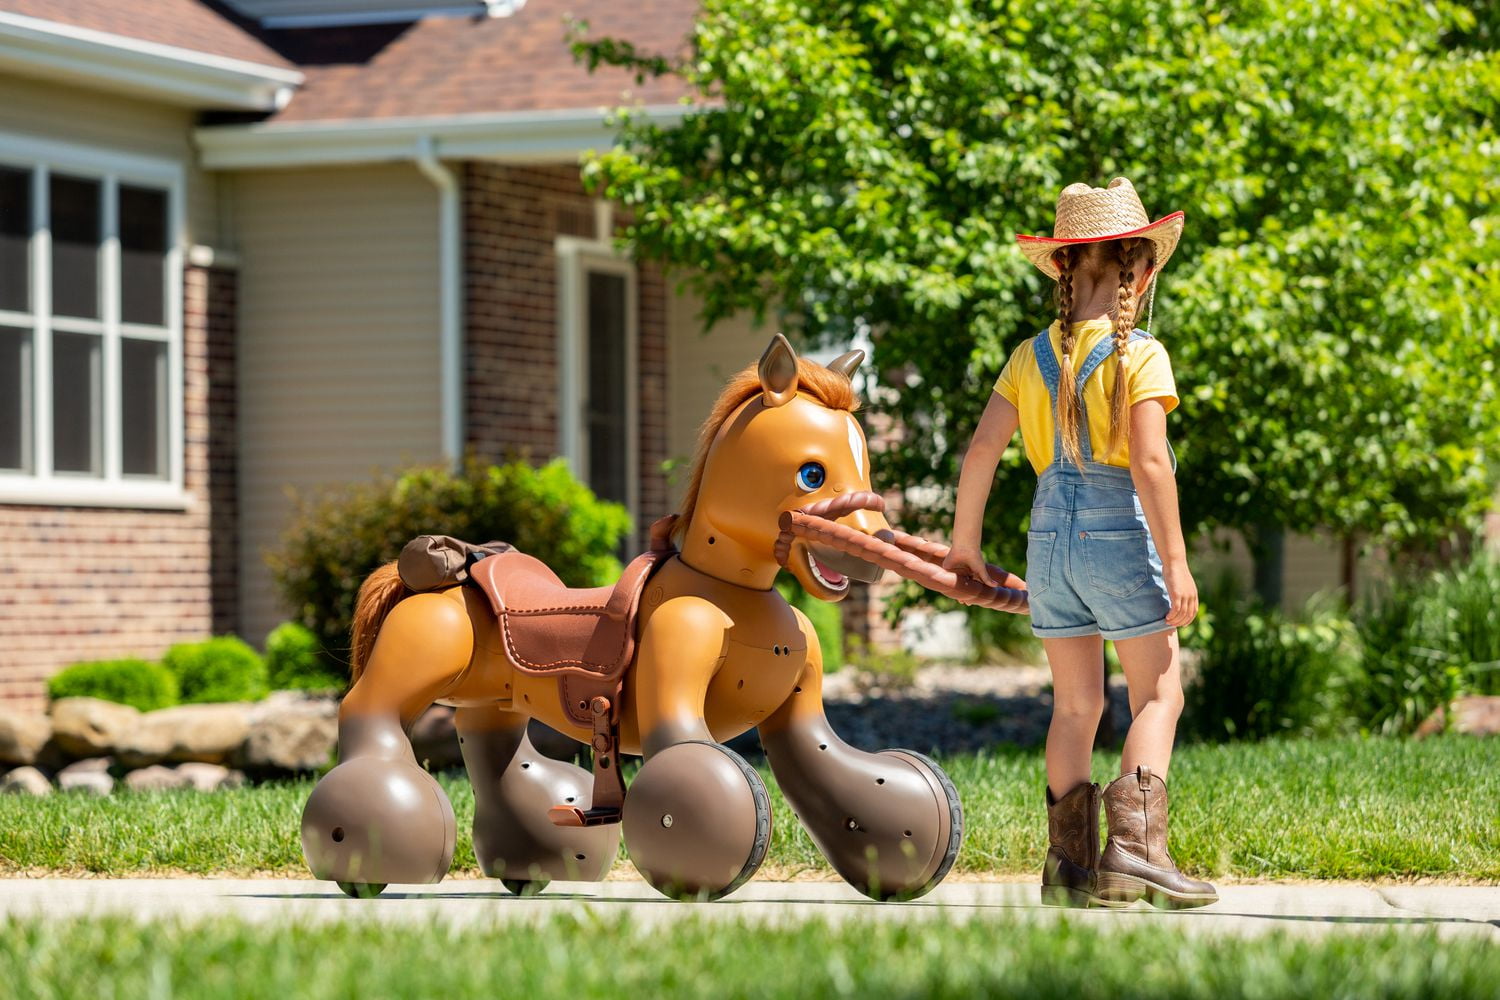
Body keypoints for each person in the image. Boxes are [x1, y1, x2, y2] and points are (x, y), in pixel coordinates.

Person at [943, 178, 1217, 909]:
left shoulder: (1028, 357)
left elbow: (980, 453)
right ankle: (1135, 852)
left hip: (1047, 542)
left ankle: (1069, 867)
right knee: (1160, 691)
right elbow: (1152, 465)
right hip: (1118, 532)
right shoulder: (1142, 355)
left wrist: (964, 547)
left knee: (1075, 707)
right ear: (1141, 268)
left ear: (1063, 270)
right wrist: (1180, 562)